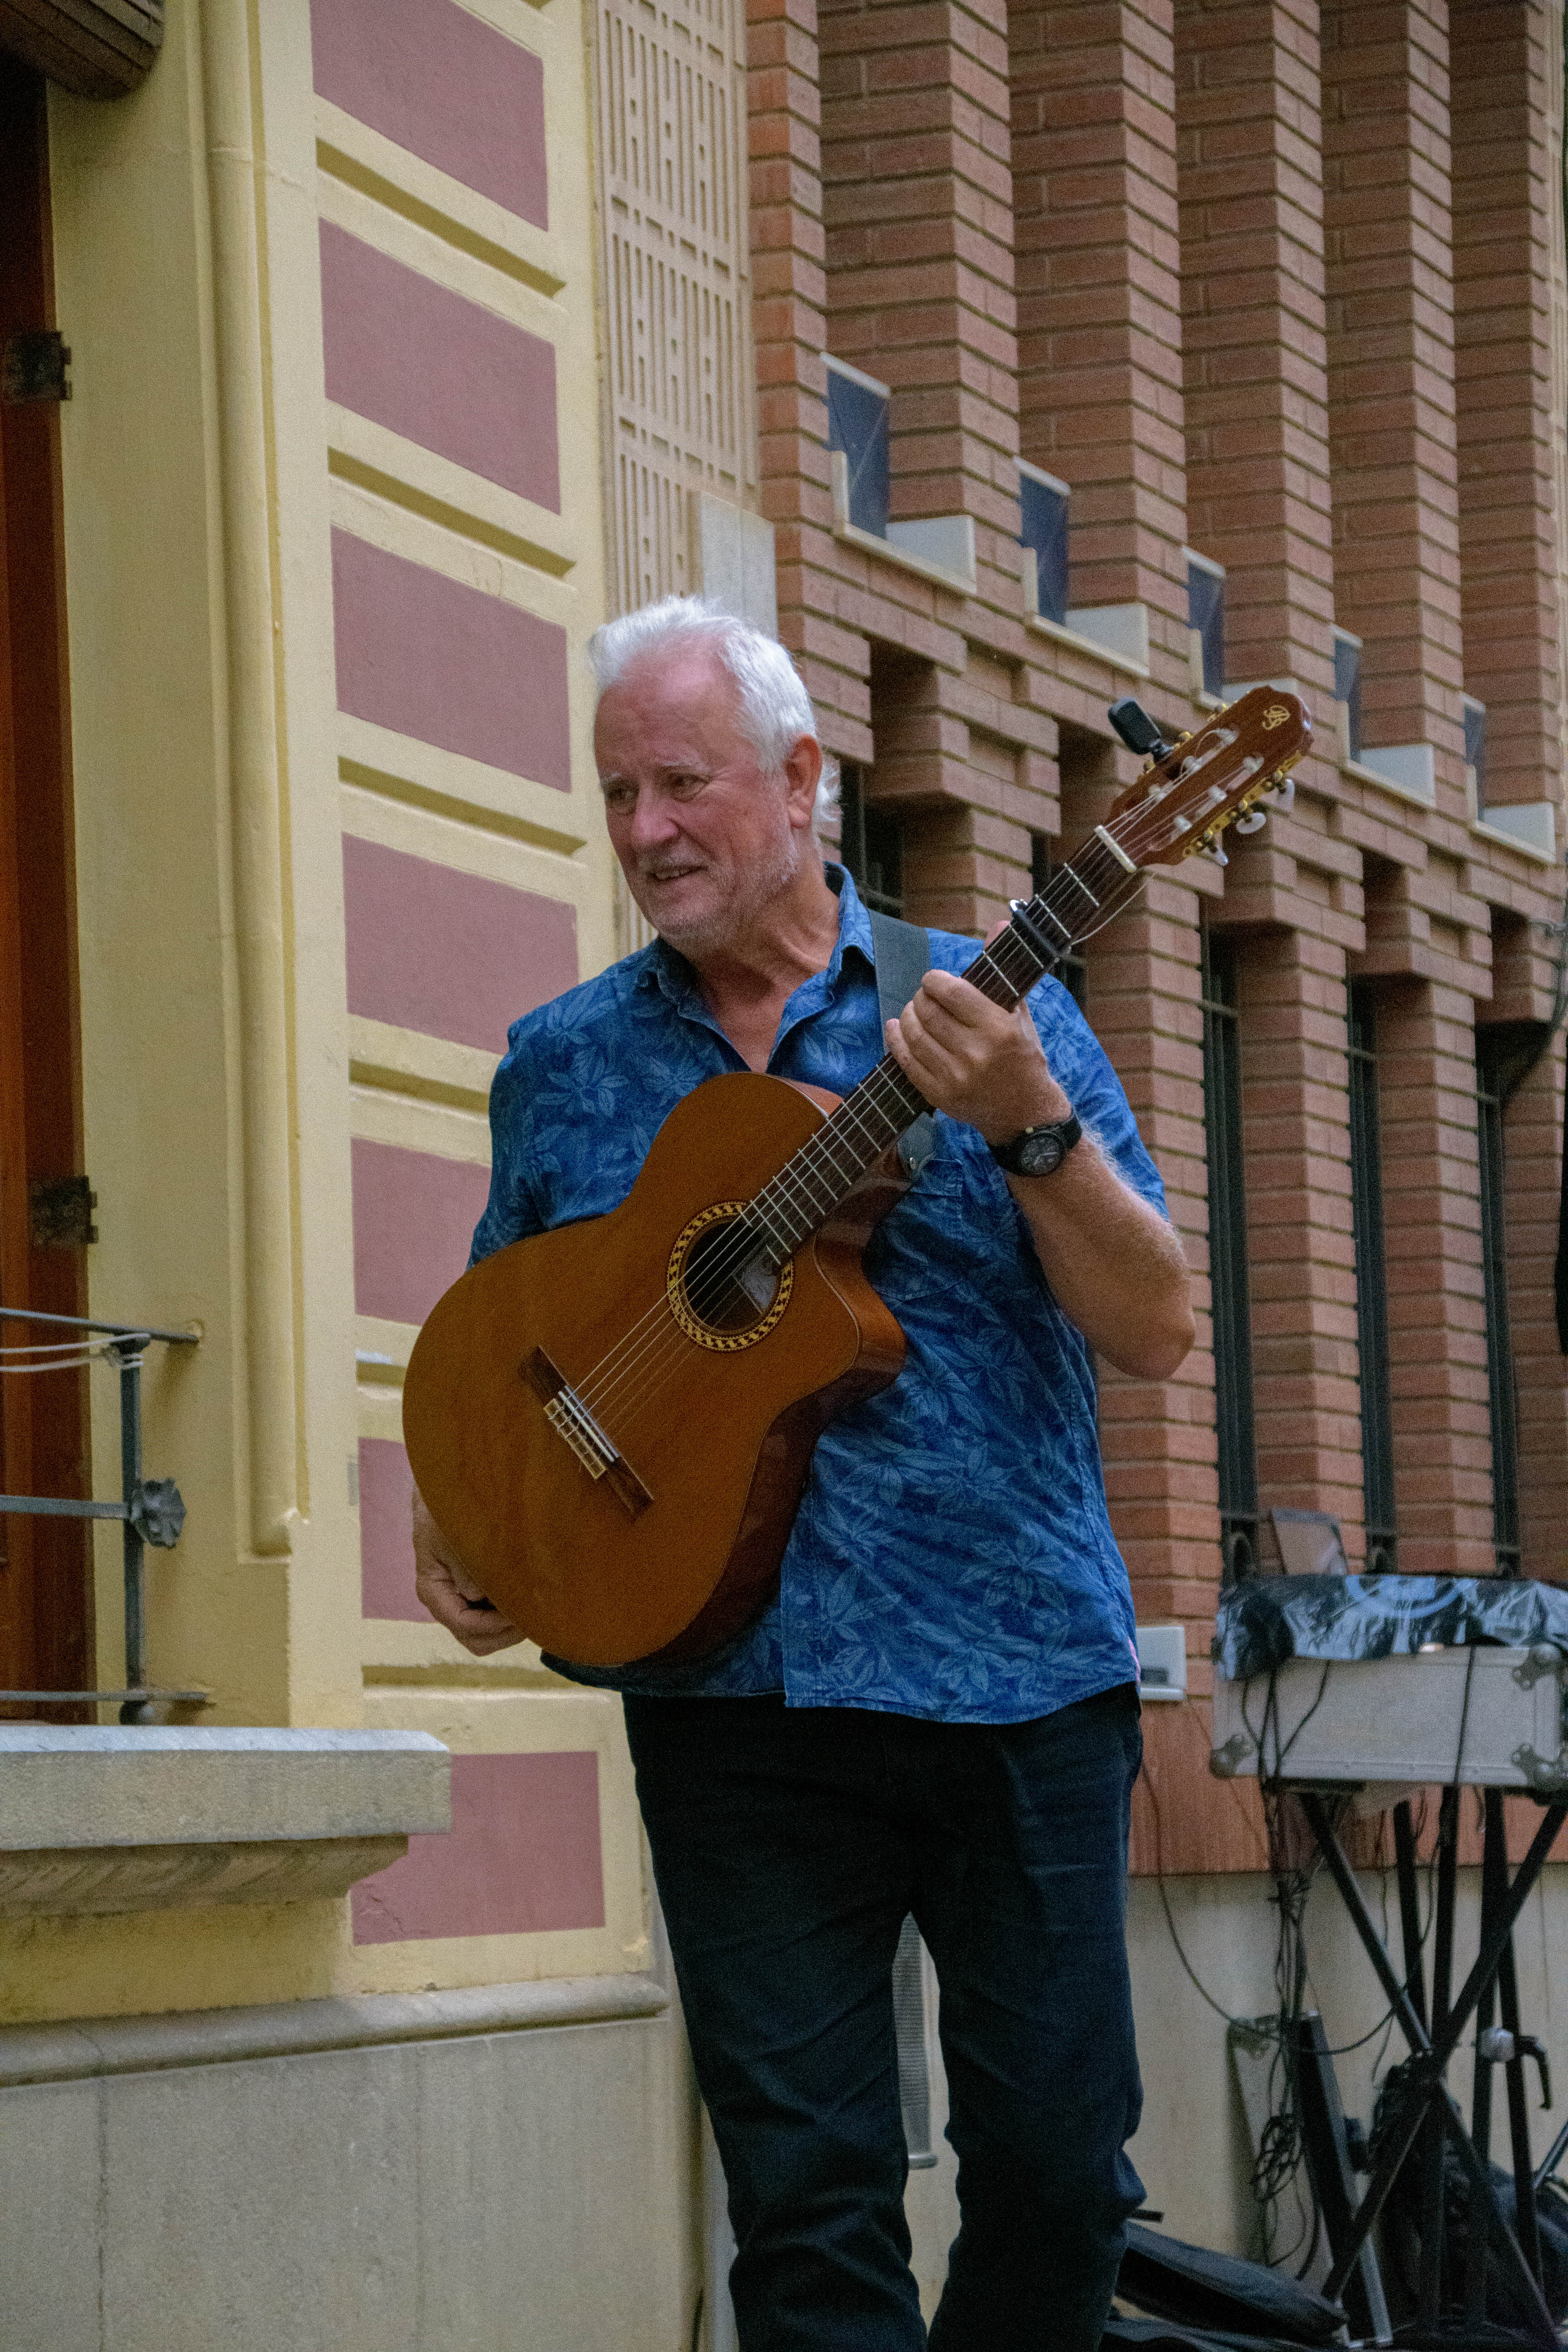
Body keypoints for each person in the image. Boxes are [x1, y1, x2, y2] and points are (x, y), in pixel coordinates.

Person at [413, 595, 1196, 2350]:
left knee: (1061, 2171)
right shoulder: (567, 1061)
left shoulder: (989, 1008)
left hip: (1008, 1680)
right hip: (727, 1694)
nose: (643, 833)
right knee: (805, 2200)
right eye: (615, 794)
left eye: (680, 784)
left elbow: (1156, 1329)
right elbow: (513, 1338)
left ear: (801, 778)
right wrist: (477, 1524)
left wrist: (1032, 1131)